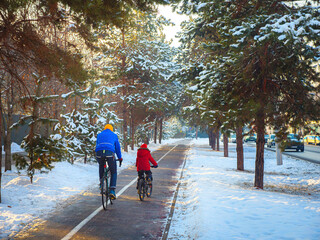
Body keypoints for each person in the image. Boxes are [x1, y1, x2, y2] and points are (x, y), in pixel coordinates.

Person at [95, 124, 122, 199]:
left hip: (99, 153)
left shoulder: (99, 135)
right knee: (113, 171)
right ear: (111, 129)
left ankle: (101, 183)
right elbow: (117, 147)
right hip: (110, 153)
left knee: (101, 165)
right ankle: (112, 191)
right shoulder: (114, 135)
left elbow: (97, 145)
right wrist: (120, 158)